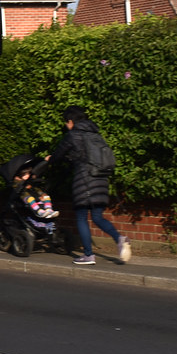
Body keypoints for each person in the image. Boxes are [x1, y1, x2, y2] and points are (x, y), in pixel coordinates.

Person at [46, 106, 131, 265]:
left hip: (84, 180)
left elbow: (58, 155)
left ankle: (88, 255)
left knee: (81, 217)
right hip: (101, 179)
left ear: (70, 121)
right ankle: (119, 238)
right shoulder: (96, 135)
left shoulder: (73, 135)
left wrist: (49, 159)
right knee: (98, 217)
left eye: (66, 122)